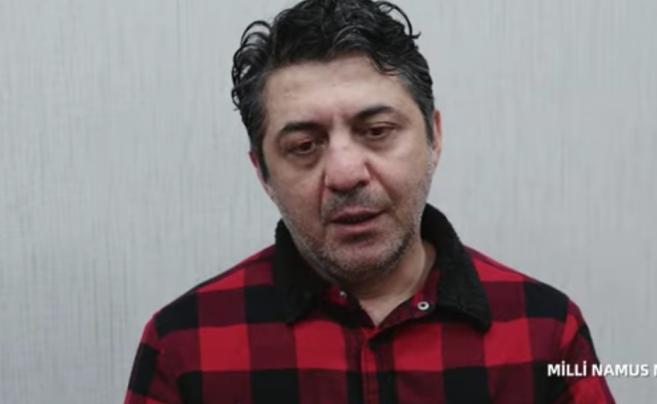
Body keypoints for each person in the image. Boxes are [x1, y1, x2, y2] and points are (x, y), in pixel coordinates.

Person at [125, 0, 615, 403]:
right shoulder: (184, 347)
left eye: (377, 131)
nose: (345, 174)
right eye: (304, 146)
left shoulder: (545, 331)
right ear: (263, 173)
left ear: (434, 138)